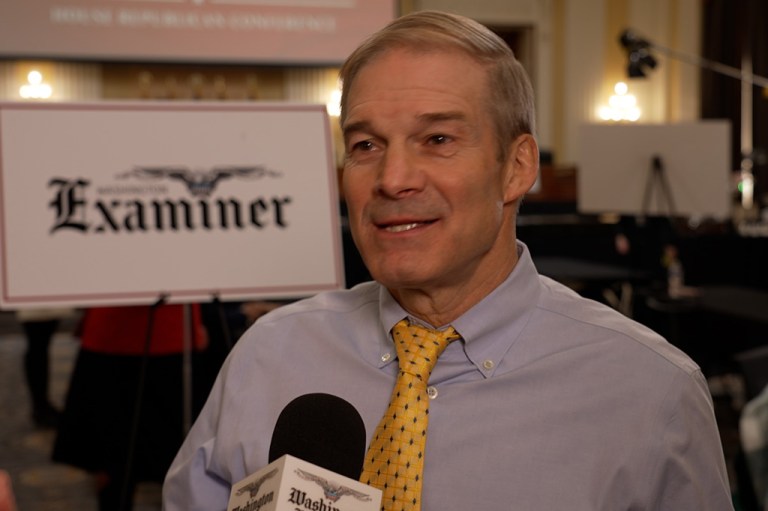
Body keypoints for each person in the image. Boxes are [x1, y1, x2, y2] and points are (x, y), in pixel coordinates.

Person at [162, 10, 733, 510]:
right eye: (366, 145)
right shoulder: (268, 356)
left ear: (517, 167)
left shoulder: (651, 392)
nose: (392, 179)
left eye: (437, 139)